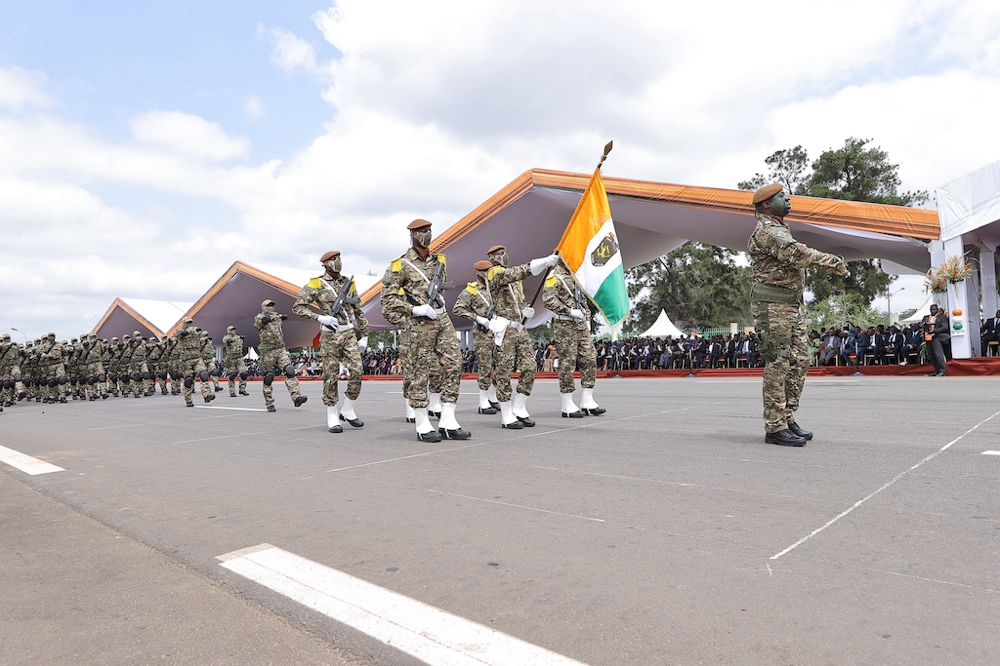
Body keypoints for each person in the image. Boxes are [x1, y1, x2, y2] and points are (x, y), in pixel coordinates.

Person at [747, 183, 847, 447]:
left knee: (801, 359)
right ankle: (775, 426)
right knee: (778, 364)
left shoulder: (779, 228)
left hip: (791, 306)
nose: (787, 199)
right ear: (767, 204)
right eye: (781, 196)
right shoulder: (768, 231)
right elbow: (796, 254)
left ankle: (787, 416)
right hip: (772, 306)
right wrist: (832, 261)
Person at [380, 219, 470, 441]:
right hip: (419, 323)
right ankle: (422, 422)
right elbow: (387, 300)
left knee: (454, 363)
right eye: (421, 231)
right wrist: (414, 309)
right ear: (412, 235)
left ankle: (448, 420)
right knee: (419, 372)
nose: (426, 234)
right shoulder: (399, 265)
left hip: (441, 317)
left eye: (428, 230)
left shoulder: (439, 261)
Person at [293, 250, 369, 434]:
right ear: (325, 264)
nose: (337, 262)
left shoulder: (348, 283)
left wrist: (365, 334)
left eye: (338, 259)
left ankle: (348, 409)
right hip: (330, 335)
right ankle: (332, 413)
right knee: (330, 375)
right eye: (333, 260)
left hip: (349, 333)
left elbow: (357, 309)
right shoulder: (316, 284)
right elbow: (298, 307)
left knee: (358, 370)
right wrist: (320, 318)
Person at [484, 244, 559, 428]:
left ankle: (519, 406)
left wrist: (526, 312)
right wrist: (543, 263)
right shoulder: (493, 273)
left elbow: (517, 299)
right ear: (491, 258)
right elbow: (517, 272)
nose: (502, 256)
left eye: (503, 253)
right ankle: (506, 413)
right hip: (505, 329)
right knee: (504, 371)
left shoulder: (516, 280)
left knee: (530, 366)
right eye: (498, 254)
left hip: (519, 328)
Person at [542, 257, 605, 417]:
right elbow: (548, 300)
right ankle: (567, 403)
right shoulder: (553, 275)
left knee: (589, 358)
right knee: (567, 363)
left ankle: (587, 400)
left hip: (581, 324)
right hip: (565, 325)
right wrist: (569, 311)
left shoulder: (576, 275)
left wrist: (587, 319)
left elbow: (582, 300)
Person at [451, 260, 499, 415]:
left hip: (500, 330)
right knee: (485, 365)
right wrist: (478, 318)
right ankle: (483, 400)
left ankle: (492, 396)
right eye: (486, 271)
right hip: (483, 332)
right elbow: (457, 308)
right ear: (479, 273)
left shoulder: (496, 289)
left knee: (501, 364)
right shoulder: (472, 290)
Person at [254, 299, 308, 412]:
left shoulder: (277, 316)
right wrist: (274, 318)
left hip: (280, 348)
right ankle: (269, 403)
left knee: (289, 371)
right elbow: (261, 322)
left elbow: (281, 320)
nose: (271, 308)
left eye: (272, 305)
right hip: (267, 351)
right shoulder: (259, 317)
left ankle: (296, 396)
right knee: (268, 377)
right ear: (263, 307)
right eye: (268, 306)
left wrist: (281, 317)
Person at [175, 317, 215, 406]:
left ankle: (206, 395)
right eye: (187, 322)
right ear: (184, 323)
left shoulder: (196, 331)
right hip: (186, 359)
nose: (189, 324)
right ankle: (188, 399)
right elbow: (181, 334)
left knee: (204, 374)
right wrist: (191, 330)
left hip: (197, 357)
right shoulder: (179, 331)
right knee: (188, 380)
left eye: (190, 322)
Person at [922, 304, 950, 376]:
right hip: (928, 338)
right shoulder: (926, 317)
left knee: (938, 354)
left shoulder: (941, 318)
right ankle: (936, 371)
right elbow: (920, 324)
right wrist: (924, 324)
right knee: (931, 355)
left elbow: (945, 327)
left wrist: (934, 331)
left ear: (937, 310)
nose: (933, 311)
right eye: (931, 309)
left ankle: (942, 371)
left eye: (934, 309)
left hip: (937, 337)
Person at [222, 326, 249, 397]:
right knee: (232, 375)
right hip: (231, 358)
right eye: (231, 330)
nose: (233, 331)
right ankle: (232, 391)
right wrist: (228, 341)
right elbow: (225, 341)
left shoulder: (238, 337)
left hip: (239, 357)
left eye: (234, 329)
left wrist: (241, 339)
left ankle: (242, 389)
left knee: (244, 373)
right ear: (228, 331)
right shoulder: (226, 337)